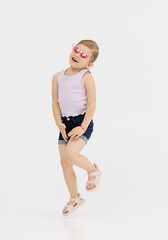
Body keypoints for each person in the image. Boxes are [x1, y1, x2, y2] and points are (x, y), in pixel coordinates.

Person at [51, 40, 102, 216]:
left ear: (89, 63)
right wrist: (59, 123)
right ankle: (75, 198)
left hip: (82, 122)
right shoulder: (58, 77)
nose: (76, 54)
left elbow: (92, 105)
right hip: (65, 123)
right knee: (65, 162)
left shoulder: (86, 77)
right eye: (76, 49)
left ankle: (93, 170)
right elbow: (55, 103)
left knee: (71, 155)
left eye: (83, 54)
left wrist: (83, 127)